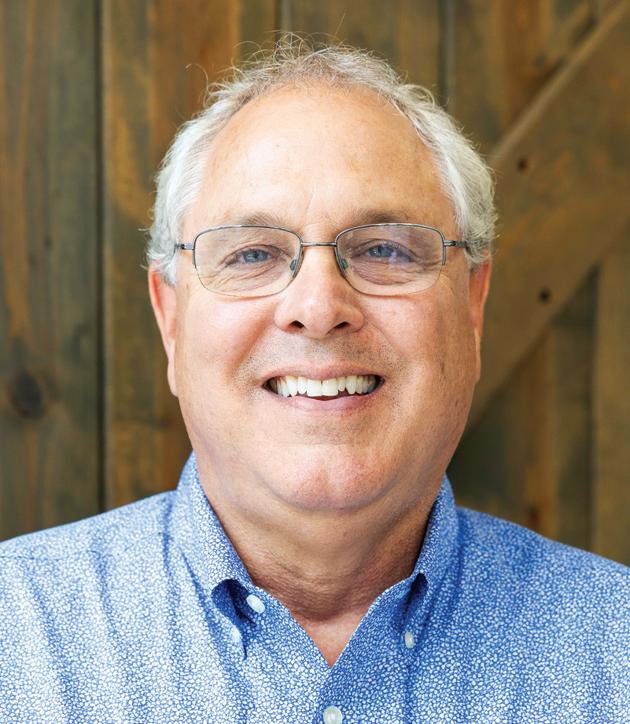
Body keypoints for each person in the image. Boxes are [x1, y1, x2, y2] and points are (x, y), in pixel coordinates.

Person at [0, 39, 627, 722]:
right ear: (171, 320)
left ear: (472, 307)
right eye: (253, 254)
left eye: (385, 249)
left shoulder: (612, 650)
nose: (320, 306)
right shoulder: (18, 639)